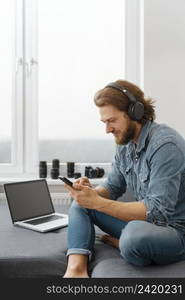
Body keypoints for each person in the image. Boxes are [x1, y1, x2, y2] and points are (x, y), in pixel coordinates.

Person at [63, 80, 185, 278]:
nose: (107, 129)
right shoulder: (125, 143)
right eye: (104, 123)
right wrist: (90, 194)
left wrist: (99, 203)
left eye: (112, 121)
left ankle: (126, 244)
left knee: (133, 238)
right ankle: (76, 270)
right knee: (81, 204)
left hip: (175, 232)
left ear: (135, 112)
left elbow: (157, 212)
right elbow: (112, 186)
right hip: (146, 225)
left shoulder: (166, 146)